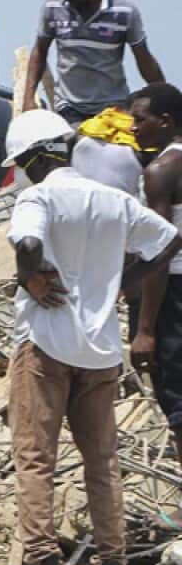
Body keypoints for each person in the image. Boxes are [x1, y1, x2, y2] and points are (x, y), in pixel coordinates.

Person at [4, 108, 178, 565]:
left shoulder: (38, 196)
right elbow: (168, 240)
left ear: (35, 158)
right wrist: (126, 282)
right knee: (102, 464)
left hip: (44, 347)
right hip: (100, 352)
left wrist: (30, 276)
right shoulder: (112, 200)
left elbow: (27, 242)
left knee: (36, 458)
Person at [23, 0, 164, 123]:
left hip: (113, 107)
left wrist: (165, 99)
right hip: (70, 107)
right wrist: (28, 98)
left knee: (120, 148)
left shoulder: (124, 11)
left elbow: (144, 59)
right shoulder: (53, 7)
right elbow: (40, 50)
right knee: (72, 145)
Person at [127, 83, 182, 527]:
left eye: (140, 118)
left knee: (176, 398)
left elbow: (160, 253)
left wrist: (145, 328)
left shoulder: (162, 170)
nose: (132, 126)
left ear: (164, 121)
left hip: (174, 296)